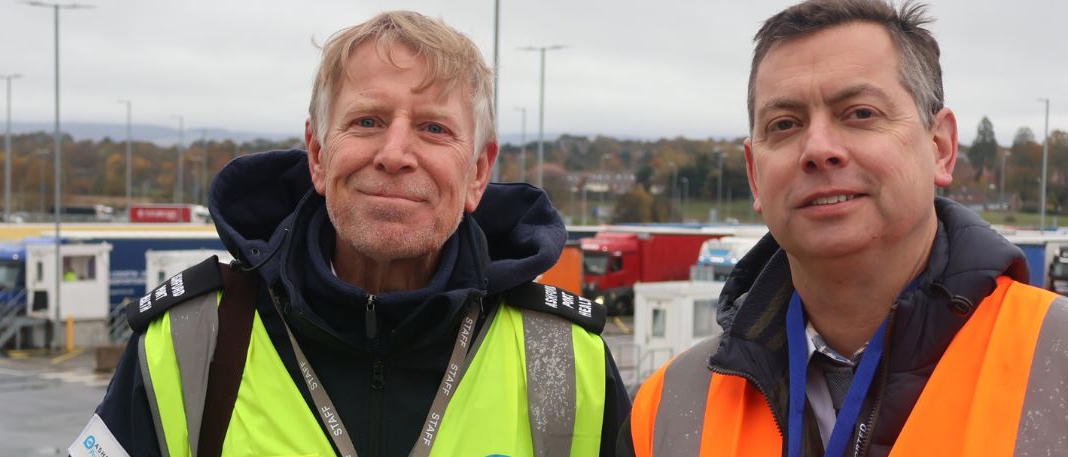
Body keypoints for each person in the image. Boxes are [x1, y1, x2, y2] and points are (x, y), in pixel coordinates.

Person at [71, 11, 630, 457]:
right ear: (317, 153)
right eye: (367, 121)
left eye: (434, 128)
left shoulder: (564, 358)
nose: (394, 155)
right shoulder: (192, 342)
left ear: (478, 171)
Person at [623, 0, 1068, 456]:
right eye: (785, 124)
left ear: (940, 147)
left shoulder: (1056, 361)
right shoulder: (667, 410)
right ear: (755, 175)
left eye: (860, 113)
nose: (818, 148)